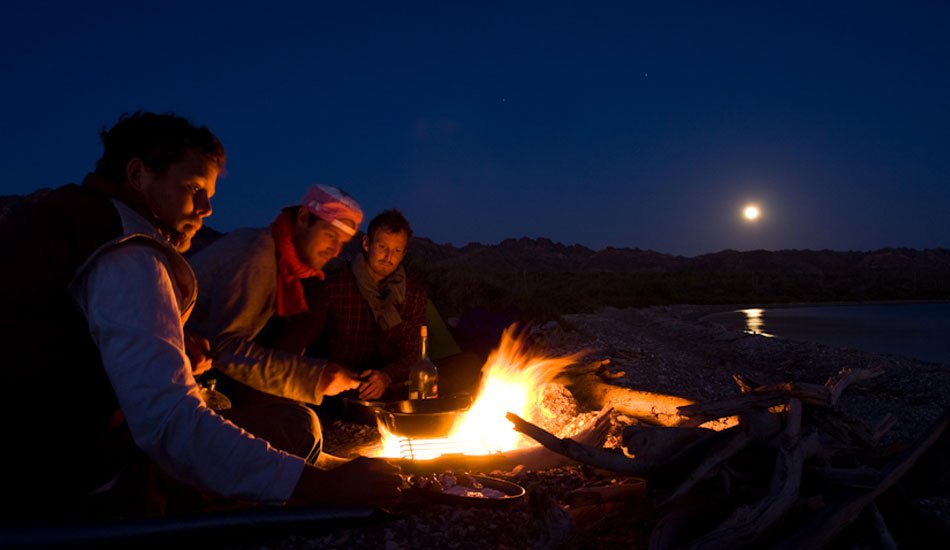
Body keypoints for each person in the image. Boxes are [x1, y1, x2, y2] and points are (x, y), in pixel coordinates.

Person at [0, 112, 400, 522]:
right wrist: (319, 486)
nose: (207, 209)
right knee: (297, 426)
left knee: (292, 419)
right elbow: (170, 421)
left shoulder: (81, 220)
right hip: (77, 474)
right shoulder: (129, 251)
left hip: (51, 448)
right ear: (138, 174)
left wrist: (180, 347)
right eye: (193, 188)